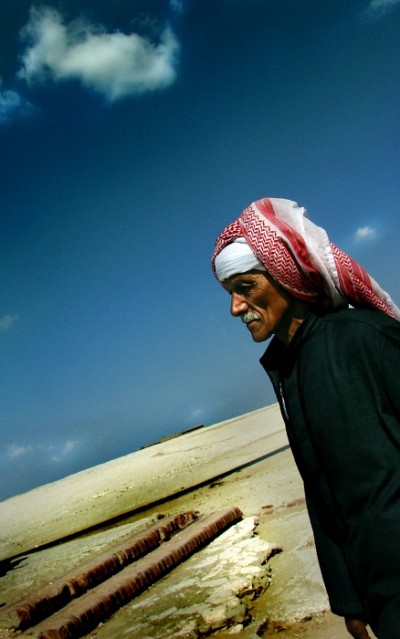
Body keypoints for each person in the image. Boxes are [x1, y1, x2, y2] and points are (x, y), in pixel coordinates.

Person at [211, 197, 400, 639]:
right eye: (230, 293)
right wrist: (349, 599)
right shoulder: (288, 368)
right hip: (383, 597)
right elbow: (321, 489)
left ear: (286, 276)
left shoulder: (366, 338)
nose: (235, 307)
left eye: (245, 287)